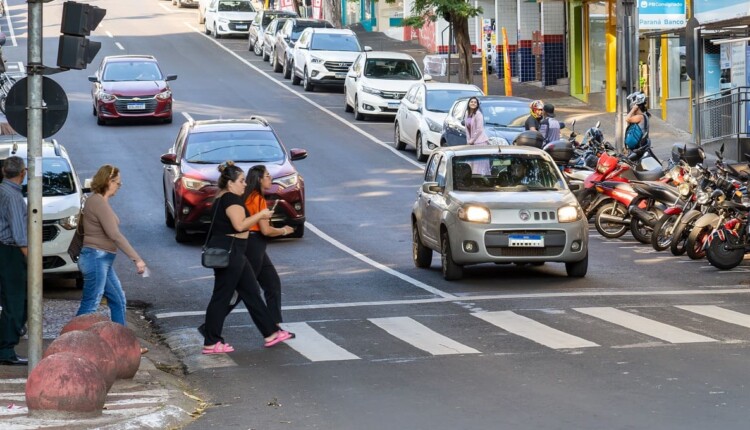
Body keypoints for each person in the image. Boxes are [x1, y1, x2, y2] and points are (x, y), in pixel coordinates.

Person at [202, 161, 292, 354]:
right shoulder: (231, 199)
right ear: (230, 183)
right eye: (241, 181)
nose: (245, 184)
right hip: (231, 251)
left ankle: (271, 333)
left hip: (235, 251)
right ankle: (211, 341)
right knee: (222, 297)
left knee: (251, 292)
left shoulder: (223, 197)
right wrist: (260, 215)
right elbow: (240, 225)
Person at [76, 165, 147, 330]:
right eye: (117, 183)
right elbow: (115, 235)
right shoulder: (97, 202)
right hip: (96, 257)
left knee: (118, 299)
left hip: (102, 259)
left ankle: (122, 343)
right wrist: (137, 259)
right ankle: (73, 342)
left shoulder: (100, 201)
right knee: (91, 303)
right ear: (108, 181)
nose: (118, 187)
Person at [0, 156, 28, 365]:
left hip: (5, 250)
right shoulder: (13, 197)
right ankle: (7, 349)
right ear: (23, 173)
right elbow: (18, 233)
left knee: (11, 299)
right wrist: (31, 258)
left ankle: (8, 340)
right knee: (16, 299)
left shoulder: (3, 191)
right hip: (10, 251)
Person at [464, 96, 491, 175]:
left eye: (475, 102)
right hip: (471, 142)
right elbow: (466, 128)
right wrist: (468, 140)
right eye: (471, 102)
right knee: (471, 162)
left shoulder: (478, 114)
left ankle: (481, 179)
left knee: (479, 164)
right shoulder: (467, 113)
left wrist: (472, 140)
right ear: (469, 103)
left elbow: (479, 129)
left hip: (480, 142)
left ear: (477, 104)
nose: (473, 103)